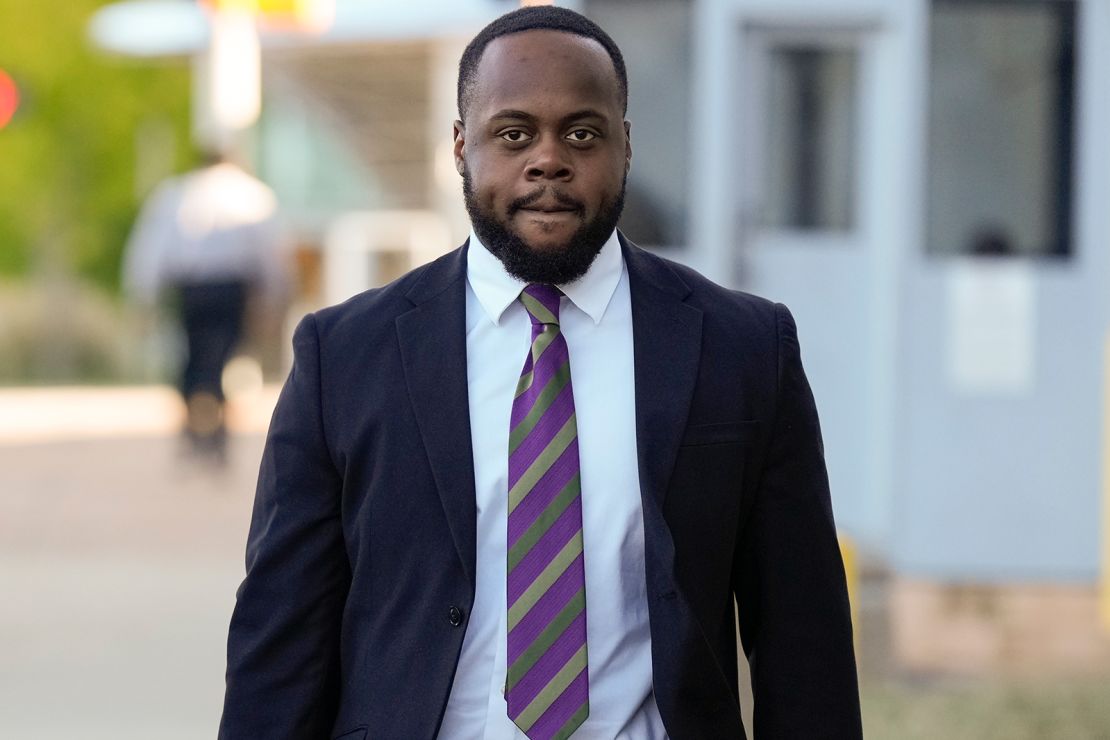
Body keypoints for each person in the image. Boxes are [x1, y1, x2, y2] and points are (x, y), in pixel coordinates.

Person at [220, 6, 861, 739]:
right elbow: (281, 644)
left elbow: (803, 641)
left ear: (625, 146)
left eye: (582, 134)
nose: (548, 159)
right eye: (514, 133)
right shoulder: (345, 358)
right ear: (461, 147)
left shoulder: (744, 349)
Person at [122, 151, 287, 463]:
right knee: (224, 357)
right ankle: (214, 425)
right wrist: (273, 297)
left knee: (193, 357)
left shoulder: (176, 193)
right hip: (231, 289)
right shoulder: (252, 195)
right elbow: (270, 254)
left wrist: (143, 295)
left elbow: (151, 250)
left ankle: (196, 425)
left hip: (190, 289)